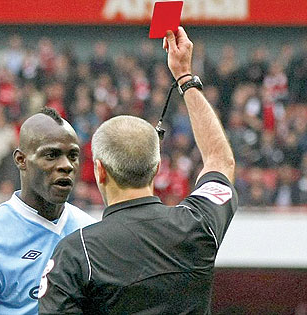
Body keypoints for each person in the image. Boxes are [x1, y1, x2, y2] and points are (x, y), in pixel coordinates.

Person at [39, 27, 238, 314]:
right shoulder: (196, 224)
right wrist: (185, 78)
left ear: (100, 172)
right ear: (156, 168)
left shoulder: (76, 252)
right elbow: (220, 162)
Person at [0, 107, 96, 314]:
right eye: (51, 155)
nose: (66, 166)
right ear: (21, 160)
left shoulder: (91, 232)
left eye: (73, 155)